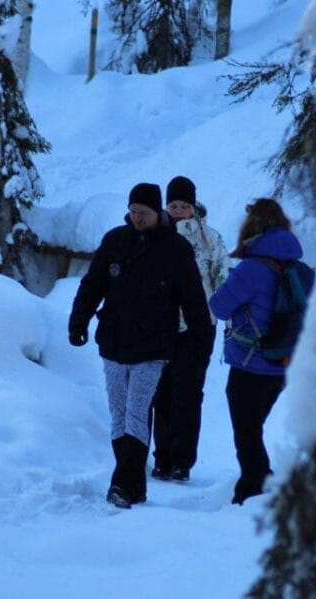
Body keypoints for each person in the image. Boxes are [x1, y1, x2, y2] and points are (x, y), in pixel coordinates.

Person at [68, 182, 212, 509]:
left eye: (143, 213)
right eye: (132, 212)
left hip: (153, 348)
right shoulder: (115, 241)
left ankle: (121, 484)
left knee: (136, 413)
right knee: (118, 415)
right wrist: (78, 321)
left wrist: (202, 340)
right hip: (114, 343)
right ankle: (136, 485)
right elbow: (93, 285)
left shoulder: (175, 248)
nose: (137, 218)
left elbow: (193, 298)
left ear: (156, 211)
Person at [208, 198, 304, 505]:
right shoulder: (298, 267)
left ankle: (252, 492)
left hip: (251, 365)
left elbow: (219, 307)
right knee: (254, 429)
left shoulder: (251, 268)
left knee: (246, 433)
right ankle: (258, 483)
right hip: (284, 363)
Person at [150, 176, 227, 482]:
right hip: (161, 327)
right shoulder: (156, 236)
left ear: (194, 207)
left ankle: (183, 461)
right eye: (174, 205)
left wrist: (222, 314)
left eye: (184, 205)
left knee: (189, 393)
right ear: (166, 206)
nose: (179, 210)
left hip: (198, 327)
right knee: (161, 394)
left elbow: (222, 278)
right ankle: (162, 458)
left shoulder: (211, 239)